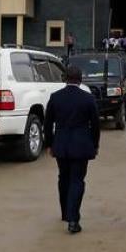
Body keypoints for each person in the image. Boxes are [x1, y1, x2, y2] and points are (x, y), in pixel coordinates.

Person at [44, 66, 100, 234]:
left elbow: (48, 123)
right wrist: (95, 145)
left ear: (65, 78)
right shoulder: (88, 98)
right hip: (81, 144)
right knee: (77, 180)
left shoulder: (55, 97)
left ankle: (65, 213)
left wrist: (49, 144)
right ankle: (73, 220)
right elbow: (95, 125)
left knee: (63, 177)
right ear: (81, 79)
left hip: (61, 144)